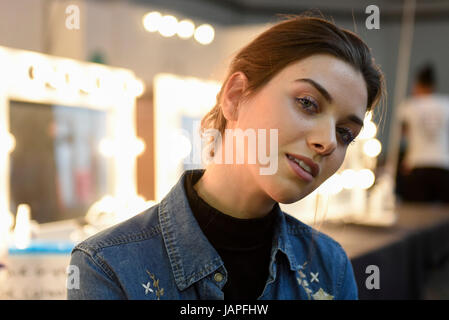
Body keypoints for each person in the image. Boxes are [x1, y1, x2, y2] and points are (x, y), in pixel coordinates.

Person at [68, 14, 384, 300]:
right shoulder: (110, 266)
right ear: (235, 96)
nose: (328, 142)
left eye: (345, 133)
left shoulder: (330, 266)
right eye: (307, 103)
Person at [397, 64, 449, 203]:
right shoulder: (446, 104)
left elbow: (403, 136)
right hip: (443, 165)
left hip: (417, 165)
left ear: (418, 84)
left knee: (417, 215)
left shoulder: (408, 106)